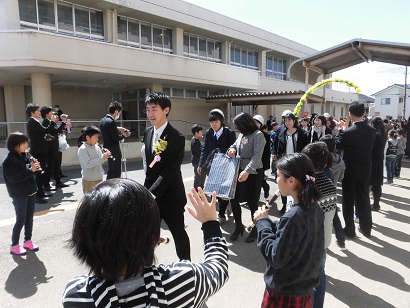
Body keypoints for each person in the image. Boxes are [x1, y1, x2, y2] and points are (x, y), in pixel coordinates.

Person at [62, 179, 229, 307]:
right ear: (152, 237)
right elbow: (218, 269)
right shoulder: (185, 280)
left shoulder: (76, 295)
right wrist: (210, 224)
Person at [253, 153, 324, 308]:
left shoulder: (294, 215)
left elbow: (276, 256)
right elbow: (291, 238)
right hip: (303, 287)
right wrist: (268, 223)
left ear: (291, 181)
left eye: (278, 176)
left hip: (284, 293)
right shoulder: (314, 206)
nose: (277, 181)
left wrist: (263, 223)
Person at [143, 92, 191, 261]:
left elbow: (170, 171)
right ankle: (146, 266)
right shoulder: (148, 133)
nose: (150, 114)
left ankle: (186, 266)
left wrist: (150, 193)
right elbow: (149, 169)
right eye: (148, 109)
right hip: (151, 196)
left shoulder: (176, 137)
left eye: (154, 109)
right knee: (148, 235)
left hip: (171, 196)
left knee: (178, 232)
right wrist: (145, 191)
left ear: (166, 110)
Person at [302, 142, 337, 308]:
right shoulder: (330, 185)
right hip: (324, 239)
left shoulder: (306, 186)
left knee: (306, 280)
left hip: (307, 242)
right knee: (320, 275)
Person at [335, 101, 376, 238]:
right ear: (364, 113)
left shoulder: (347, 132)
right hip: (365, 169)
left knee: (348, 199)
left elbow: (338, 145)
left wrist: (341, 129)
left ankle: (350, 229)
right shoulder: (372, 131)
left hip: (350, 170)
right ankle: (366, 228)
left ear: (350, 114)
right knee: (363, 199)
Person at [227, 112, 266, 243]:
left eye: (238, 125)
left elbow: (257, 155)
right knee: (234, 198)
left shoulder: (258, 135)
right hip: (239, 169)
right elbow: (234, 145)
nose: (237, 128)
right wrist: (231, 150)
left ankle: (255, 229)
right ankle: (239, 226)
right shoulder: (242, 134)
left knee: (252, 202)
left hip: (253, 173)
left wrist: (248, 171)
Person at [2, 132, 41, 255]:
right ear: (15, 145)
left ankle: (27, 240)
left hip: (30, 191)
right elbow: (14, 178)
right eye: (24, 143)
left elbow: (29, 172)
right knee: (21, 220)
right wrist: (31, 170)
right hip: (19, 194)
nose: (26, 145)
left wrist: (35, 168)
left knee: (29, 218)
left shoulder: (24, 155)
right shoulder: (8, 161)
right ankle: (14, 245)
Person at [198, 109, 236, 224]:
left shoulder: (229, 133)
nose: (213, 124)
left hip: (226, 166)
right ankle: (223, 208)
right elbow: (204, 149)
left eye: (216, 122)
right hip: (212, 166)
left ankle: (221, 214)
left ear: (221, 121)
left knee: (223, 190)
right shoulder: (209, 133)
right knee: (215, 190)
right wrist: (200, 164)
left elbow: (234, 148)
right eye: (211, 122)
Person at [26, 103, 65, 204]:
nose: (39, 113)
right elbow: (45, 130)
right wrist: (52, 122)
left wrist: (47, 137)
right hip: (38, 152)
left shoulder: (35, 122)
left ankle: (41, 192)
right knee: (39, 174)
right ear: (32, 112)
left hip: (41, 151)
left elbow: (42, 134)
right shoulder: (32, 122)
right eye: (38, 111)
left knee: (41, 173)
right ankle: (38, 195)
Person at [272, 112, 308, 214]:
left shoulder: (301, 133)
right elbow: (276, 144)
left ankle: (297, 203)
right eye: (285, 120)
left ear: (294, 121)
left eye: (289, 120)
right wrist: (274, 153)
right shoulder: (282, 132)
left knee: (296, 183)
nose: (287, 123)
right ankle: (284, 205)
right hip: (285, 161)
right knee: (284, 182)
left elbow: (305, 147)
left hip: (297, 162)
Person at [319, 134, 346, 250]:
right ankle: (341, 240)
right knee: (334, 216)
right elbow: (341, 178)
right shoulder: (340, 161)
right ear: (334, 146)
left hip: (319, 193)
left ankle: (321, 242)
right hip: (332, 191)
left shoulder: (321, 162)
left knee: (320, 219)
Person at [100, 101, 131, 179]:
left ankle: (108, 184)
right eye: (119, 113)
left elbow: (108, 130)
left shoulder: (103, 120)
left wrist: (117, 128)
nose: (119, 115)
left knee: (111, 169)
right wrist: (124, 135)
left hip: (107, 148)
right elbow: (116, 138)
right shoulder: (111, 122)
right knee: (116, 171)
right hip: (114, 150)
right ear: (116, 111)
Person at [40, 106, 69, 189]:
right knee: (50, 167)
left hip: (55, 147)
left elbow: (58, 130)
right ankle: (46, 184)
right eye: (50, 112)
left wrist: (63, 122)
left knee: (56, 166)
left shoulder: (50, 121)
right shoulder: (46, 122)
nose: (52, 113)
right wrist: (62, 123)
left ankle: (58, 181)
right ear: (46, 114)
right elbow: (50, 130)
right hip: (50, 148)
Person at [77, 126, 111, 194]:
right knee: (89, 201)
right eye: (95, 137)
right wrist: (102, 157)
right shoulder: (82, 149)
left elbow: (100, 161)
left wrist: (105, 156)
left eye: (97, 137)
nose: (97, 139)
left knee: (99, 199)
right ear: (87, 137)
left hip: (99, 177)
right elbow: (88, 164)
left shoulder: (97, 147)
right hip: (89, 180)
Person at [368, 117, 387, 211]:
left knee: (368, 183)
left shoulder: (374, 134)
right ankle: (376, 204)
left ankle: (369, 204)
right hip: (379, 161)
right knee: (377, 184)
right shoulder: (383, 134)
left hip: (372, 161)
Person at [254, 115, 271, 199]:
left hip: (261, 162)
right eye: (253, 122)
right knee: (253, 180)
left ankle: (266, 187)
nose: (255, 124)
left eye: (257, 123)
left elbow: (267, 152)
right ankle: (251, 199)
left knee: (258, 180)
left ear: (261, 124)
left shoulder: (265, 136)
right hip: (251, 161)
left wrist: (265, 164)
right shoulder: (249, 133)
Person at [191, 124, 205, 189]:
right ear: (196, 133)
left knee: (198, 176)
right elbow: (199, 153)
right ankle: (197, 191)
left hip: (196, 161)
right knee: (199, 177)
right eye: (201, 131)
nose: (202, 132)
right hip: (197, 162)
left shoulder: (195, 139)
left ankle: (198, 190)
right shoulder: (195, 142)